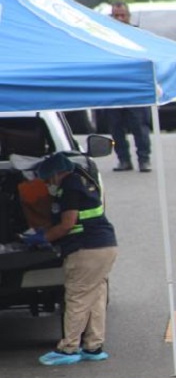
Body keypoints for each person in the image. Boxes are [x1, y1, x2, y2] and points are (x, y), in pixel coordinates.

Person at [20, 153, 118, 366]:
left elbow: (67, 223)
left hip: (86, 249)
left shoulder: (70, 187)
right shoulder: (83, 181)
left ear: (56, 174)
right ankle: (93, 346)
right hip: (104, 246)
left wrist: (43, 238)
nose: (47, 184)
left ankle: (69, 348)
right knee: (95, 297)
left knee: (77, 297)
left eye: (47, 179)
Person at [108, 2, 152, 172]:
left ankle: (144, 159)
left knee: (139, 126)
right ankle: (124, 160)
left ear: (129, 16)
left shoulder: (137, 35)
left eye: (122, 15)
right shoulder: (104, 35)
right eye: (116, 15)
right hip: (113, 88)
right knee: (116, 128)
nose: (119, 19)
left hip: (135, 88)